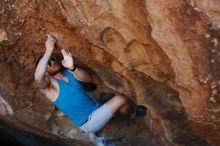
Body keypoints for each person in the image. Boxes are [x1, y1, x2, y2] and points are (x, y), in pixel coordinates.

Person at [34, 34, 147, 133]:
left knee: (122, 105)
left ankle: (128, 113)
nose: (52, 62)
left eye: (52, 59)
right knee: (120, 99)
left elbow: (88, 79)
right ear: (45, 72)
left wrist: (73, 68)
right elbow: (38, 78)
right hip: (88, 122)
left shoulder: (67, 71)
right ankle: (134, 113)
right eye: (48, 63)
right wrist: (48, 50)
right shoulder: (49, 87)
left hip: (97, 107)